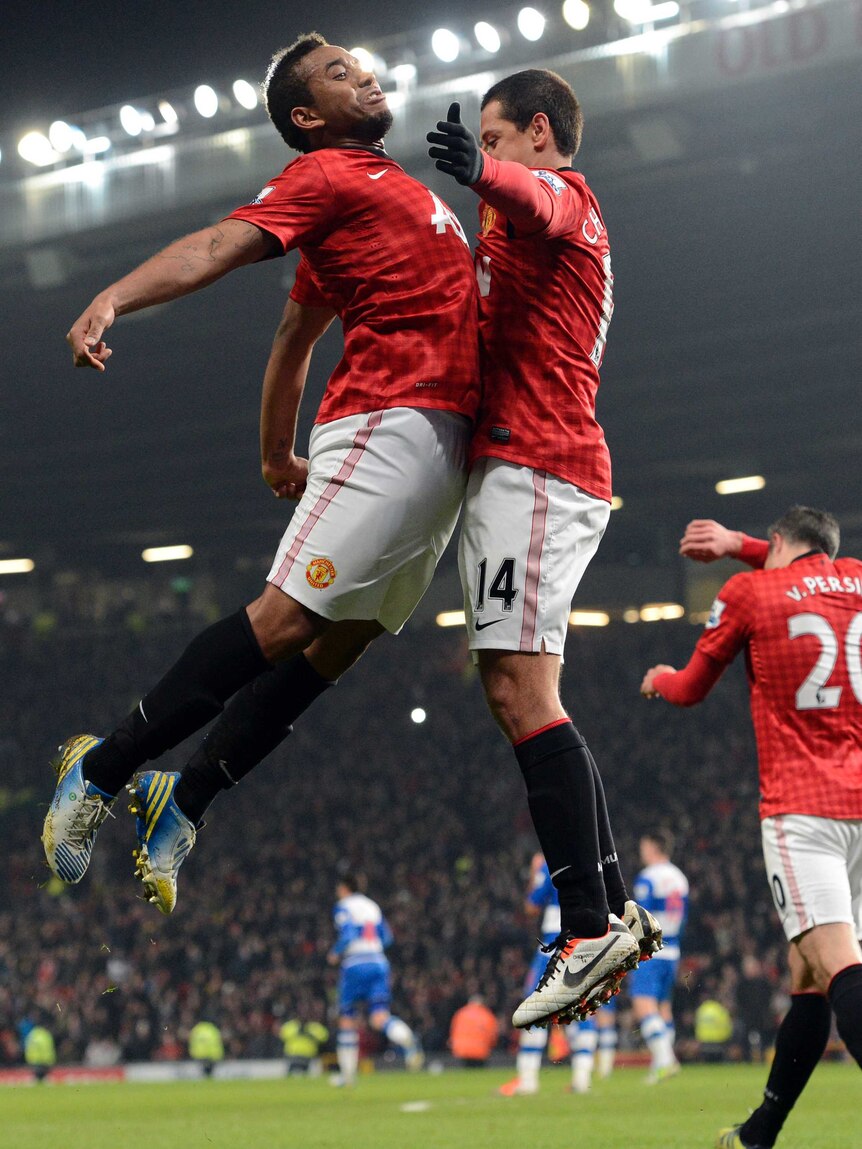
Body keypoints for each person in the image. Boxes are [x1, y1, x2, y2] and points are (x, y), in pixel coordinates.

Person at [43, 33, 479, 913]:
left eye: (361, 64)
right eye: (337, 74)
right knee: (284, 621)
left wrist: (275, 452)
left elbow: (294, 339)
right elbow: (215, 246)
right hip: (385, 420)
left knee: (341, 640)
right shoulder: (320, 179)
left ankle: (186, 798)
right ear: (306, 118)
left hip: (444, 445)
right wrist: (112, 297)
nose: (363, 72)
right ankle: (98, 770)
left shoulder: (386, 193)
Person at [427, 72, 654, 1028]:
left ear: (540, 132)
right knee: (523, 691)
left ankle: (588, 921)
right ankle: (609, 912)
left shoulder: (568, 197)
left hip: (540, 464)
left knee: (518, 689)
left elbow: (537, 196)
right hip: (528, 469)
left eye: (496, 135)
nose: (486, 151)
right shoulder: (512, 226)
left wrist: (481, 171)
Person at [640, 506, 862, 1149]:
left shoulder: (749, 592)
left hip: (805, 811)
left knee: (841, 969)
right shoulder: (856, 581)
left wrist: (659, 679)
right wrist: (744, 544)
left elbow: (689, 689)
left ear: (780, 541)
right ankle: (760, 1132)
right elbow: (809, 570)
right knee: (809, 976)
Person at [500, 853, 652, 1095]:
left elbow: (531, 905)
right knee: (580, 1003)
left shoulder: (552, 859)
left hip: (555, 939)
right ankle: (582, 1076)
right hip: (588, 939)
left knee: (534, 1004)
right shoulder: (591, 857)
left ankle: (527, 1078)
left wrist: (534, 872)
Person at [328, 874, 422, 1086]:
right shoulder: (372, 906)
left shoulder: (343, 906)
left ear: (344, 888)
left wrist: (335, 953)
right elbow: (386, 937)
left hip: (355, 964)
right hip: (379, 962)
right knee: (379, 1017)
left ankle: (347, 1077)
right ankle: (407, 1038)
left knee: (347, 1019)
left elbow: (349, 933)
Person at [626, 830, 688, 1085]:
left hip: (651, 949)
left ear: (653, 846)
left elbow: (640, 917)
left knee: (643, 1005)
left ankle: (666, 1060)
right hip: (672, 948)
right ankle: (660, 1063)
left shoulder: (649, 878)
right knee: (663, 1007)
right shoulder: (679, 877)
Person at [448, 994, 500, 1067]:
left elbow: (453, 1032)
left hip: (461, 1050)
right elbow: (493, 1036)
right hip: (480, 1050)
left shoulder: (460, 1014)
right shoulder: (487, 1015)